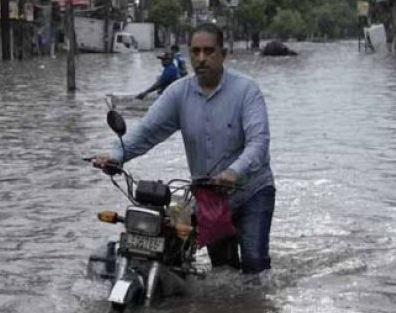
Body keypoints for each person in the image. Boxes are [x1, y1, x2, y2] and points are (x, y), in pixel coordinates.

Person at [95, 23, 275, 274]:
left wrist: (233, 173)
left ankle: (258, 308)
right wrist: (116, 155)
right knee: (224, 272)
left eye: (209, 51)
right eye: (195, 51)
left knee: (254, 262)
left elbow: (259, 143)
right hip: (210, 196)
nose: (201, 58)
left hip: (252, 190)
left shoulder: (246, 90)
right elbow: (147, 131)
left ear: (223, 54)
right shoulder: (178, 93)